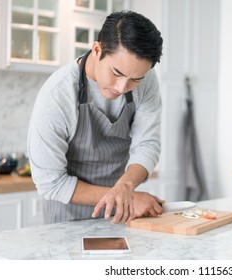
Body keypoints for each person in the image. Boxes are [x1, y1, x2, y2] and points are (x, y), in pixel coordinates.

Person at [27, 10, 165, 225]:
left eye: (135, 79)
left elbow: (147, 143)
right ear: (97, 49)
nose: (122, 87)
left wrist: (126, 188)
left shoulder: (146, 80)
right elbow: (50, 183)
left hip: (121, 215)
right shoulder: (57, 94)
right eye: (117, 73)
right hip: (66, 219)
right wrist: (123, 196)